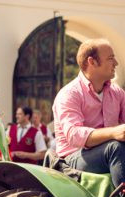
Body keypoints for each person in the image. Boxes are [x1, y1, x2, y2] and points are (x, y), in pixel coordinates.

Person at [53, 39, 125, 188]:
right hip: (72, 160)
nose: (116, 63)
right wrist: (114, 132)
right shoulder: (69, 94)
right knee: (115, 147)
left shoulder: (117, 93)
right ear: (92, 62)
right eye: (111, 58)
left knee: (115, 146)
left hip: (108, 152)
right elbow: (74, 135)